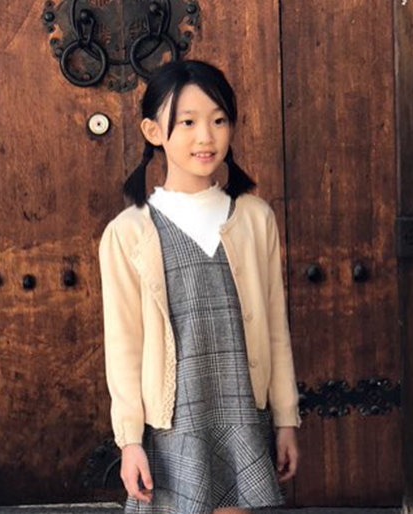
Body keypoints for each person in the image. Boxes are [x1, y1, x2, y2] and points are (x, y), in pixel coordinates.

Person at [98, 59, 301, 514]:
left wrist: (286, 418)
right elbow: (123, 346)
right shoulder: (129, 232)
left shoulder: (254, 218)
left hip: (243, 416)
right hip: (173, 426)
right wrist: (129, 440)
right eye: (187, 122)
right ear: (153, 131)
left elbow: (275, 329)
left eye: (219, 120)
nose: (206, 137)